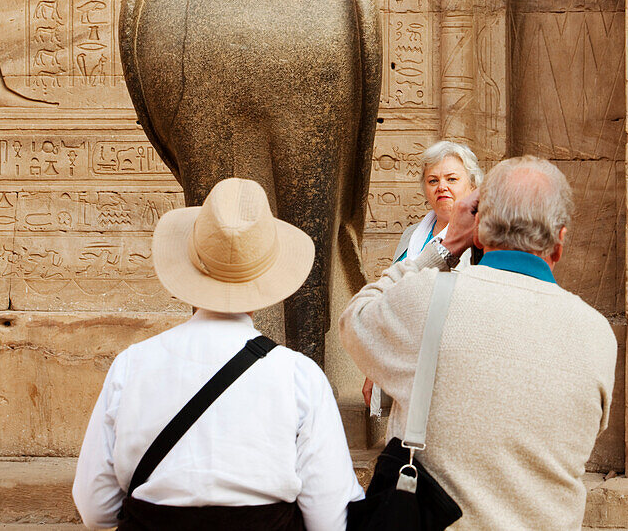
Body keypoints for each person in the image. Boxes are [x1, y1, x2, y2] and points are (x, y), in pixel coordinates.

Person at [340, 156, 617, 531]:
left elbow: (355, 320)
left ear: (480, 232)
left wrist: (448, 242)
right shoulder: (598, 334)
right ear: (560, 242)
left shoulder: (428, 299)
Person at [73, 177, 363, 530]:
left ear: (188, 267)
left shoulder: (131, 366)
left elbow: (95, 507)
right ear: (266, 278)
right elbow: (328, 519)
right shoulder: (299, 375)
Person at [363, 140, 482, 410]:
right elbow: (390, 300)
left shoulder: (484, 239)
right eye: (433, 180)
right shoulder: (411, 236)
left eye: (452, 178)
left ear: (472, 185)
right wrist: (373, 368)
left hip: (456, 365)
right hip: (403, 365)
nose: (442, 187)